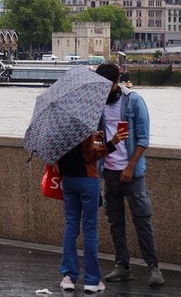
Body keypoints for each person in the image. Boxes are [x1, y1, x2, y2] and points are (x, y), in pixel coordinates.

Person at [95, 63, 164, 287]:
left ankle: (153, 267)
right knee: (115, 222)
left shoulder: (134, 101)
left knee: (142, 220)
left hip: (132, 173)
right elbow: (99, 142)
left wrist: (130, 167)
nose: (104, 91)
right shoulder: (98, 105)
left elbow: (143, 139)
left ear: (117, 82)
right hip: (109, 172)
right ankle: (122, 266)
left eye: (108, 86)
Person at [58, 127, 127, 293]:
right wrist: (112, 143)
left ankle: (69, 276)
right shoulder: (83, 126)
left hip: (68, 180)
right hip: (87, 181)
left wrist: (94, 137)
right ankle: (91, 280)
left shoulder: (59, 129)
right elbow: (89, 155)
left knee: (71, 226)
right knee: (89, 229)